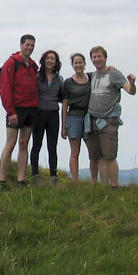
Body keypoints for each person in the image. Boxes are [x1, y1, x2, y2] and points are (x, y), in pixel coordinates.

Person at [84, 45, 136, 187]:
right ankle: (104, 186)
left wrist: (132, 83)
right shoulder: (92, 75)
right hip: (93, 120)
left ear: (105, 57)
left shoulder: (114, 74)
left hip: (108, 120)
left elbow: (130, 91)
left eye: (99, 56)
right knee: (97, 156)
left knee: (110, 156)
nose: (97, 59)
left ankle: (114, 186)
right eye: (94, 57)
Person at [0, 34, 40, 188]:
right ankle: (2, 180)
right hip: (16, 109)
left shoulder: (33, 65)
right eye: (27, 45)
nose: (30, 48)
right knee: (11, 143)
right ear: (21, 45)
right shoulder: (11, 63)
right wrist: (11, 111)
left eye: (32, 45)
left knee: (24, 143)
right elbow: (5, 89)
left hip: (31, 108)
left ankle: (20, 179)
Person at [30, 50, 64, 185]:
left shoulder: (59, 78)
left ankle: (53, 176)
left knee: (52, 145)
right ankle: (35, 174)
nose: (50, 61)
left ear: (56, 62)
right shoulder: (37, 77)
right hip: (39, 113)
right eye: (48, 58)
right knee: (37, 144)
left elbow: (62, 96)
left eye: (53, 59)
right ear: (43, 60)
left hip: (53, 113)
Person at [60, 53, 91, 182]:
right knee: (75, 152)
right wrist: (63, 126)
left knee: (93, 152)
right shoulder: (68, 82)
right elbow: (64, 105)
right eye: (75, 63)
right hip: (73, 117)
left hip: (89, 117)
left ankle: (94, 181)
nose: (78, 65)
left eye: (80, 62)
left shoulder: (91, 77)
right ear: (72, 65)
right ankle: (75, 181)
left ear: (84, 64)